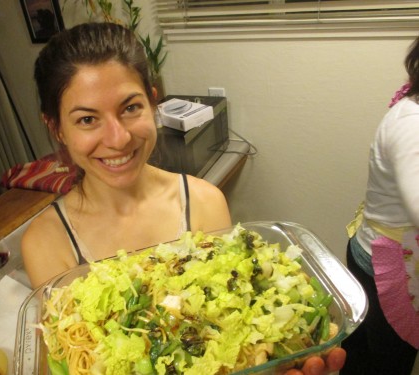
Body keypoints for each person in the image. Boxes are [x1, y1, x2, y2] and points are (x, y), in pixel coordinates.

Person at [21, 22, 345, 375]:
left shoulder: (204, 201)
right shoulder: (46, 242)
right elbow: (73, 360)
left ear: (153, 102)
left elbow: (227, 341)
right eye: (87, 119)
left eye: (130, 108)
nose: (117, 138)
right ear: (56, 129)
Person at [342, 36, 419, 375]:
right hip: (391, 269)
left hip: (383, 251)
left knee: (361, 356)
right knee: (385, 364)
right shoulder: (412, 125)